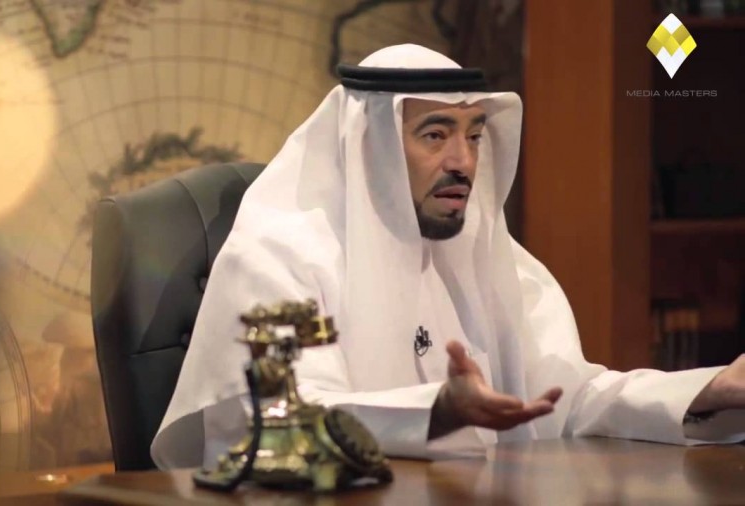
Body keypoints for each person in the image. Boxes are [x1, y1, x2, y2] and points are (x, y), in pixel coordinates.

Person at [151, 44, 745, 469]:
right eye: (435, 135)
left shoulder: (496, 261)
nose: (464, 161)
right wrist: (436, 411)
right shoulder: (277, 258)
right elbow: (281, 423)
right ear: (371, 147)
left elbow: (569, 401)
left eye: (474, 135)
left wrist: (709, 389)